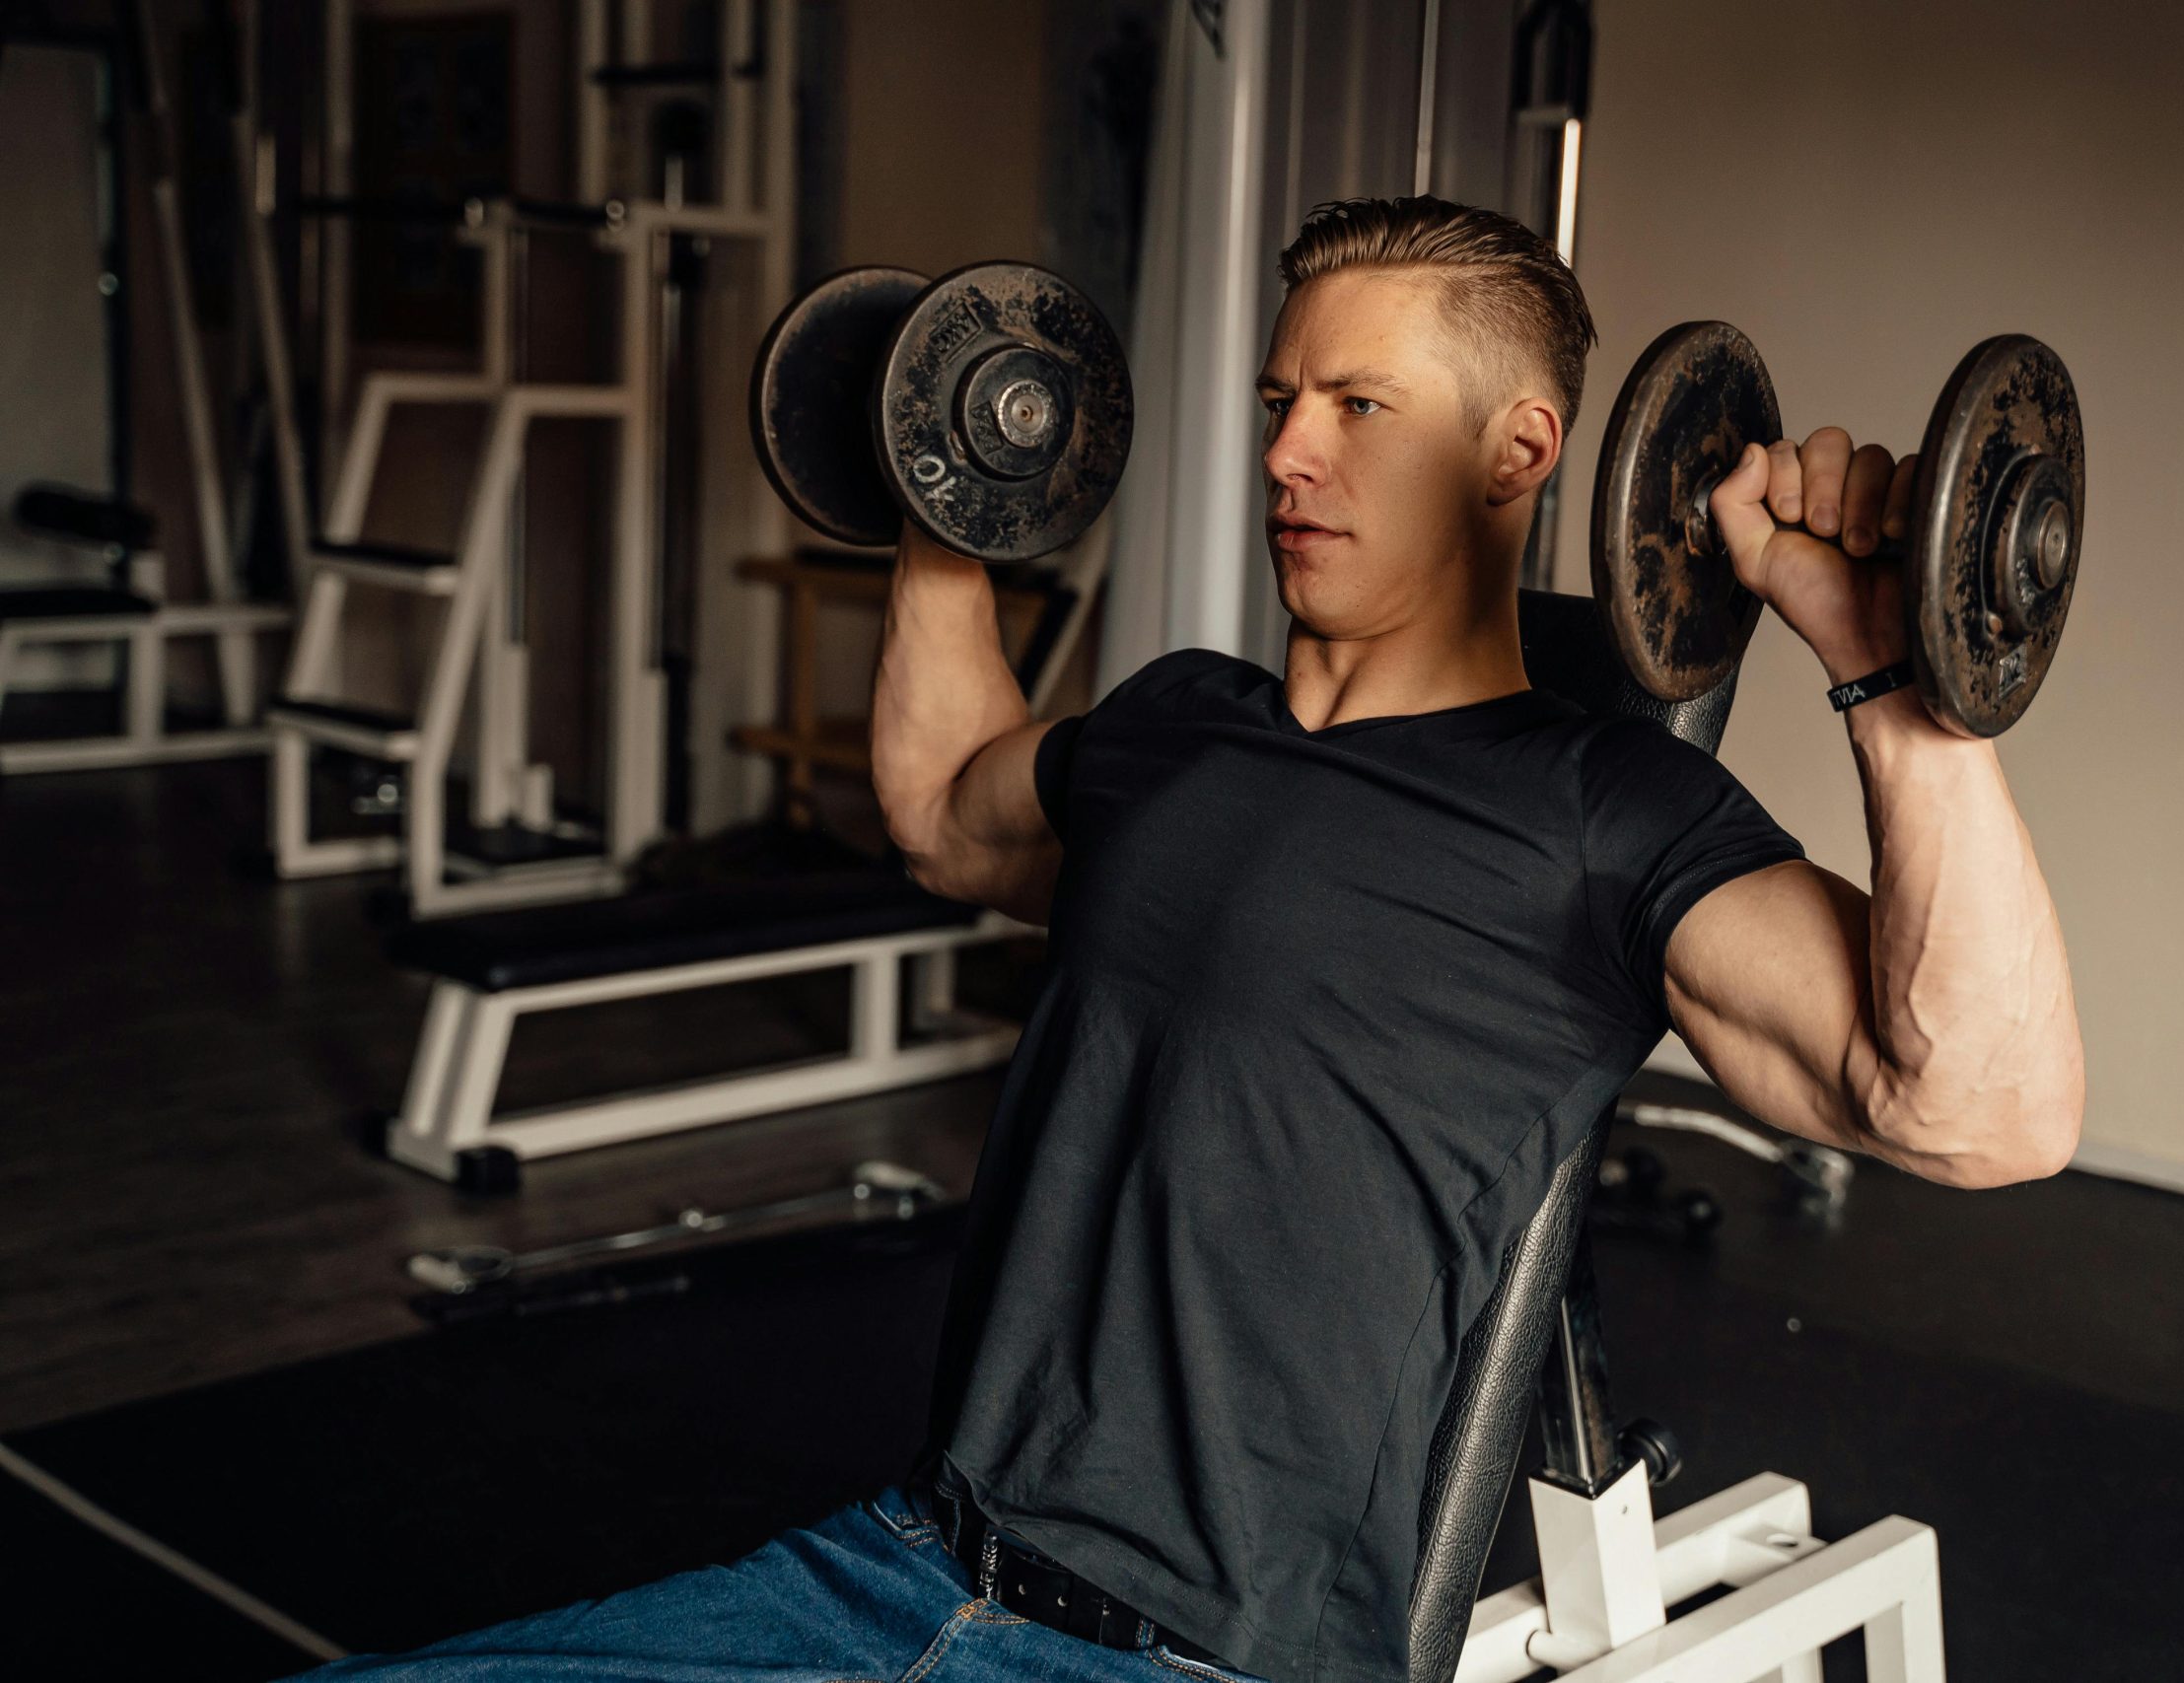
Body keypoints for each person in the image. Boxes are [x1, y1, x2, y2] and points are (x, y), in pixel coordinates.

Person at [303, 196, 2081, 1683]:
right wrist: (951, 500)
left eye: (1358, 406)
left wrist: (1893, 683)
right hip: (898, 1568)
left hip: (1187, 1657)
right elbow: (939, 814)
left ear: (1520, 450)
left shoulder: (1604, 810)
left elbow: (1983, 1111)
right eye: (1277, 397)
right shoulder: (1173, 722)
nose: (1287, 451)